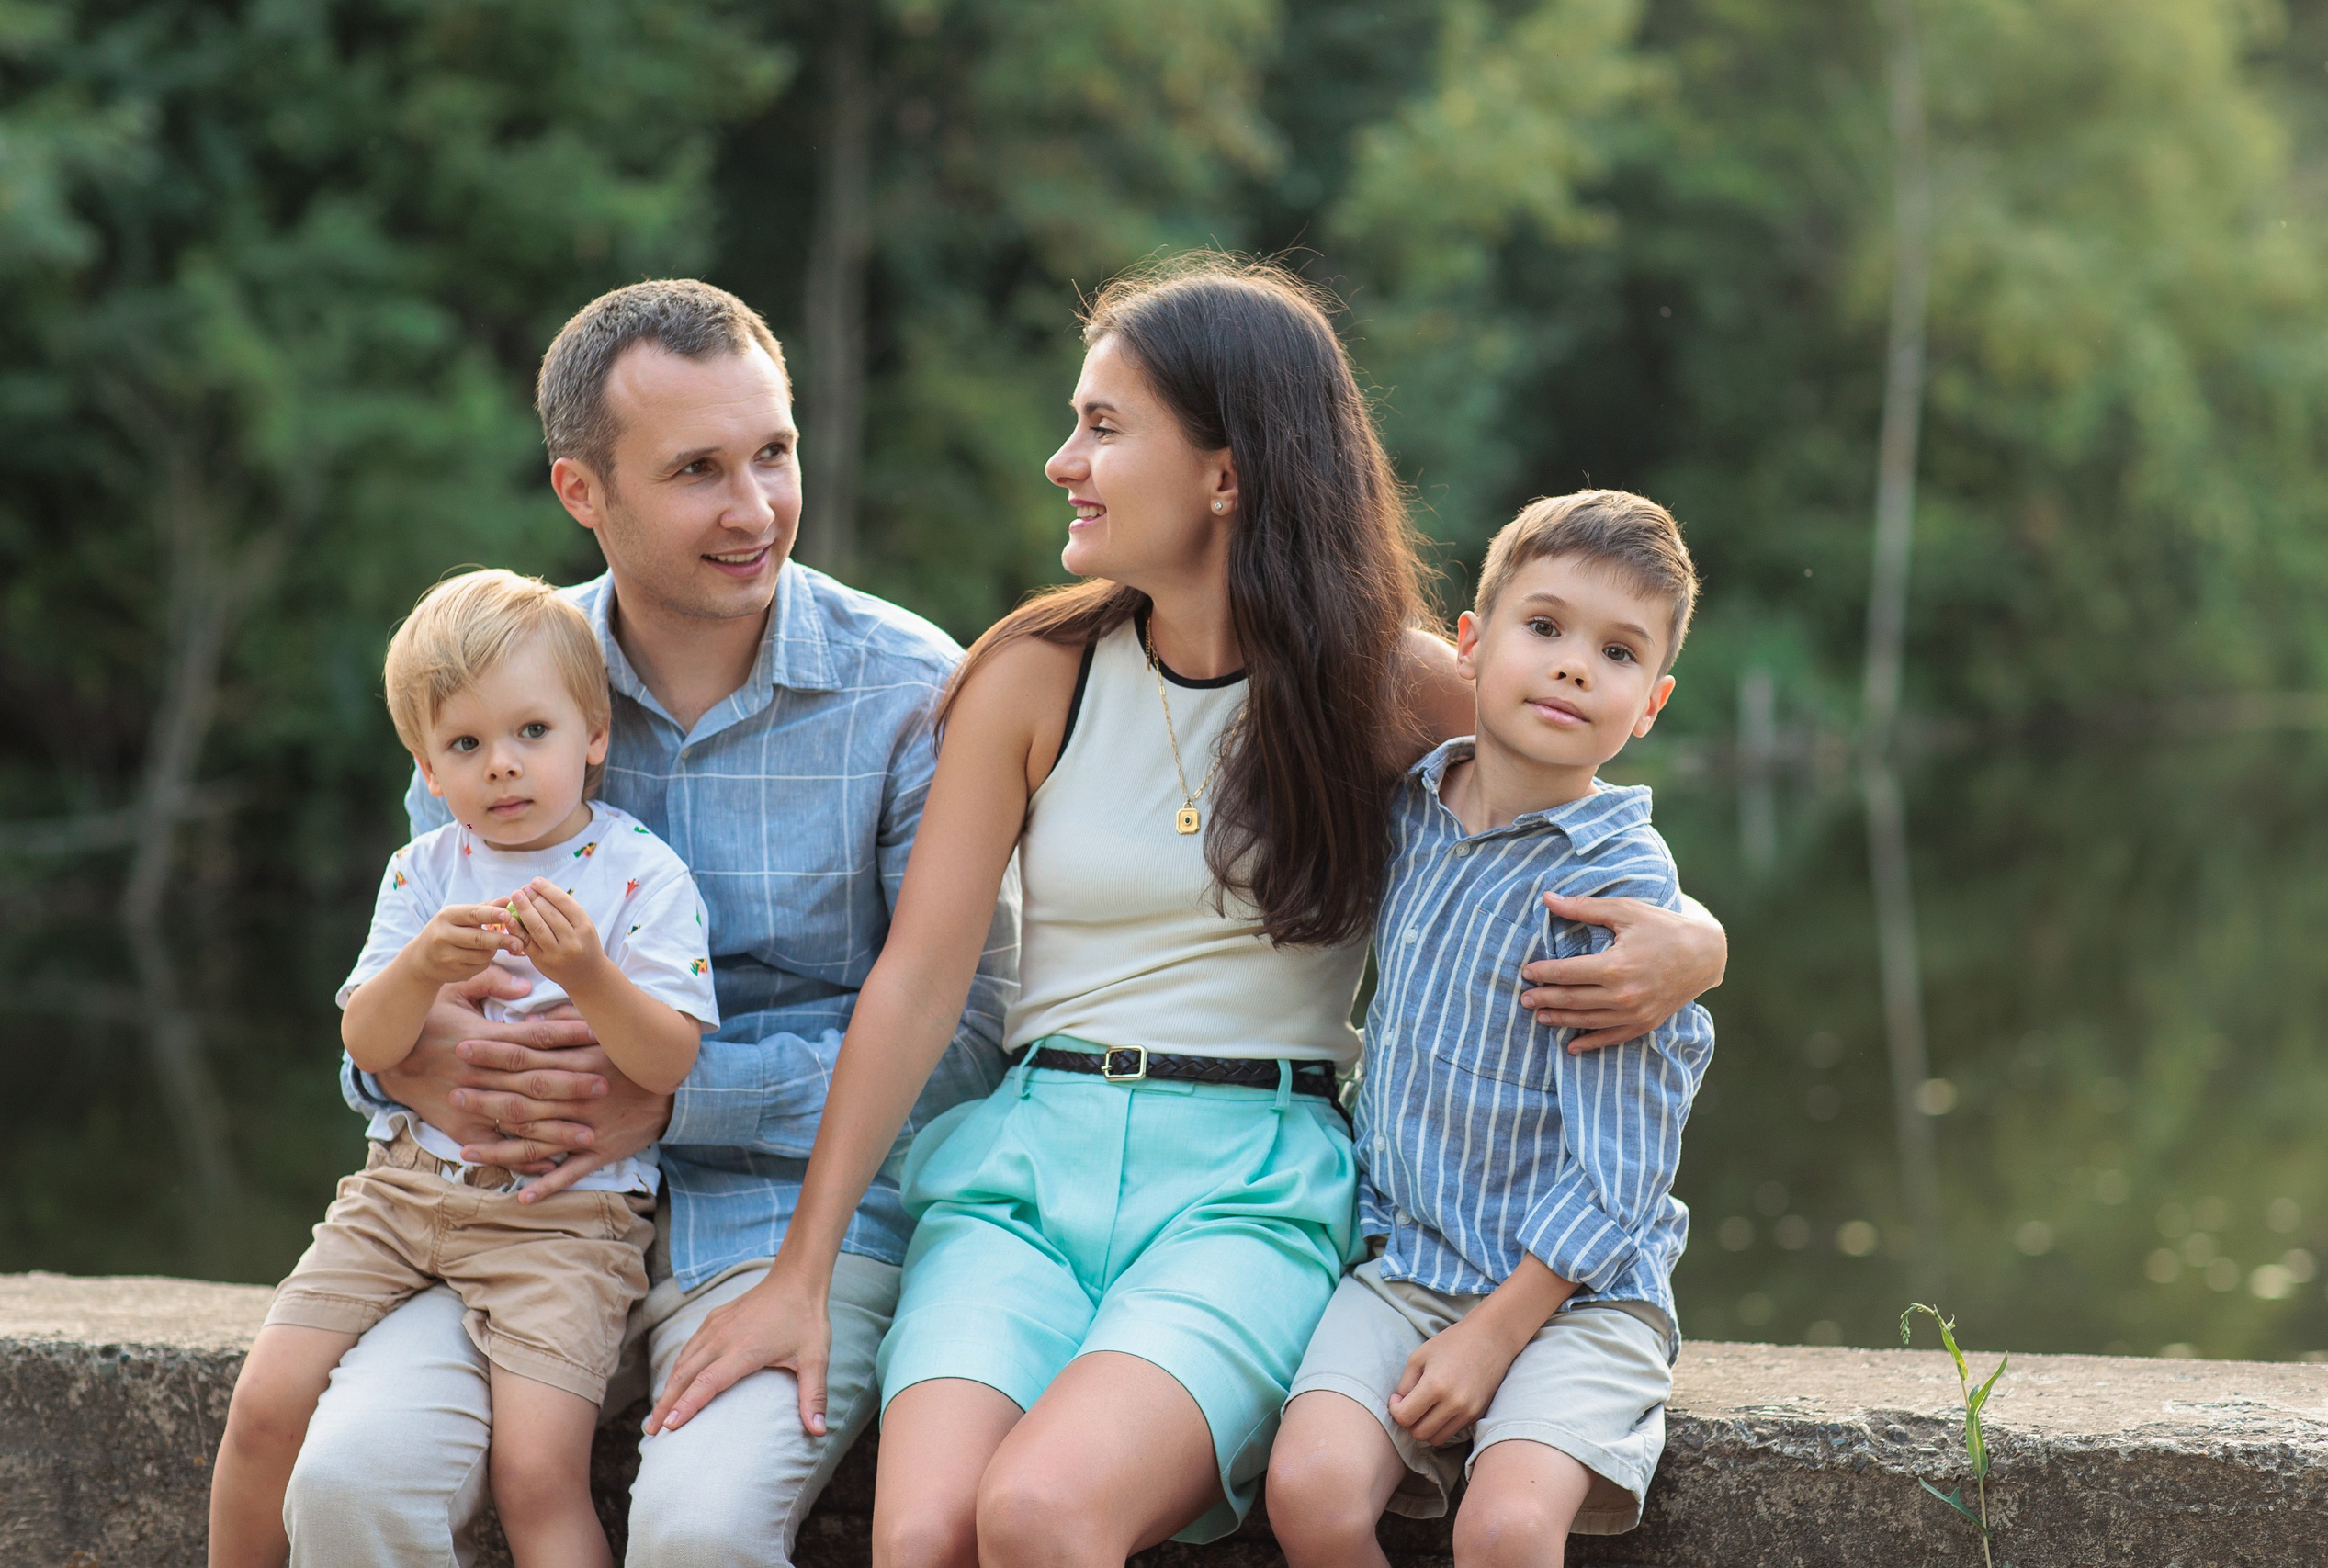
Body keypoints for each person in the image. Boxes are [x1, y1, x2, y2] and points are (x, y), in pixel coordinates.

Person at [642, 259, 1728, 1568]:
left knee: (1040, 1513)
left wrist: (1699, 940)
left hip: (1252, 1182)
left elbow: (1578, 799)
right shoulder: (1031, 674)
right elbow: (919, 984)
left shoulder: (1391, 684)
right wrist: (801, 1272)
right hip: (1022, 1171)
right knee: (922, 1530)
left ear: (1227, 471)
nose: (1064, 461)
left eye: (1104, 425)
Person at [275, 279, 1020, 1568]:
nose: (755, 507)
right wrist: (415, 1060)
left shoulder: (914, 692)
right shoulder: (494, 689)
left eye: (773, 452)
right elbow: (395, 1011)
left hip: (785, 1220)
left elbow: (968, 1043)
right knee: (346, 1481)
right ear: (583, 490)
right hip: (518, 1207)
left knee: (702, 1530)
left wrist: (678, 1098)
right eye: (697, 470)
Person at [210, 570, 718, 1568]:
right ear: (428, 771)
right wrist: (419, 970)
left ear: (594, 735)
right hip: (402, 1190)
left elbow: (669, 1057)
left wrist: (586, 972)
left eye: (533, 732)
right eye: (467, 746)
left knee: (536, 1476)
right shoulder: (425, 872)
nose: (504, 768)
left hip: (565, 1224)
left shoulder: (639, 874)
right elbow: (368, 1042)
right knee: (265, 1410)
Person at [1265, 491, 1715, 1568]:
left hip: (1576, 1294)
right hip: (1407, 1259)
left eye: (1615, 652)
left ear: (1647, 704)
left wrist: (1497, 1330)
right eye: (1545, 627)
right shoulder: (1411, 806)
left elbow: (1628, 1162)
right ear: (1469, 646)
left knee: (1506, 1529)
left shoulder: (1618, 891)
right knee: (1309, 1492)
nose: (1571, 667)